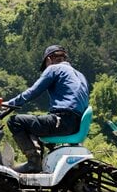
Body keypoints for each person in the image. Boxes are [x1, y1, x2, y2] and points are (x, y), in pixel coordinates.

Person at [5, 45, 89, 173]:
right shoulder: (80, 74)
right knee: (35, 122)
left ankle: (33, 163)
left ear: (49, 60)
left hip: (63, 121)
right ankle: (41, 162)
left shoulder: (54, 68)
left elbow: (33, 92)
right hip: (75, 123)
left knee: (15, 121)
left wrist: (9, 104)